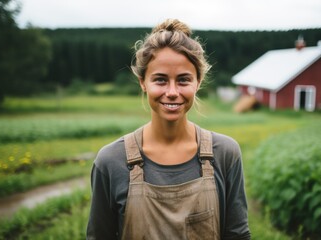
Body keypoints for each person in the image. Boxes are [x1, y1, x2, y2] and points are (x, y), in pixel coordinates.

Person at [86, 19, 251, 240]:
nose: (172, 92)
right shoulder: (110, 161)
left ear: (198, 82)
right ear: (143, 82)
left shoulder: (225, 154)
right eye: (160, 80)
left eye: (183, 80)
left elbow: (237, 235)